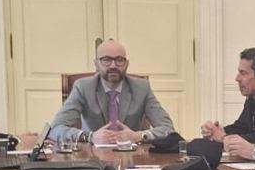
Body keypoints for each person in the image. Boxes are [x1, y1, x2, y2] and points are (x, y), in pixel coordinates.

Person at [48, 39, 177, 148]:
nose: (113, 66)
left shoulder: (141, 88)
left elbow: (168, 128)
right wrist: (90, 136)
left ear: (126, 64)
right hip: (93, 157)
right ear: (96, 64)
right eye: (106, 60)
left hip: (132, 157)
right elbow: (56, 129)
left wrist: (139, 136)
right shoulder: (83, 87)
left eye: (119, 60)